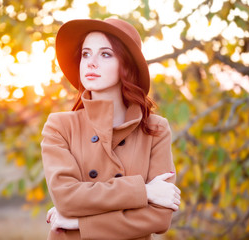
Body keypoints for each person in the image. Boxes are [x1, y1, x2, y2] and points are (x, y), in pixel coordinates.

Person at [41, 18, 181, 240]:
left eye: (105, 54)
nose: (91, 62)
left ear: (126, 65)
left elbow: (159, 218)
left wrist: (80, 223)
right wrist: (144, 191)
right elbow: (66, 199)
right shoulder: (60, 126)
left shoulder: (155, 129)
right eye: (86, 54)